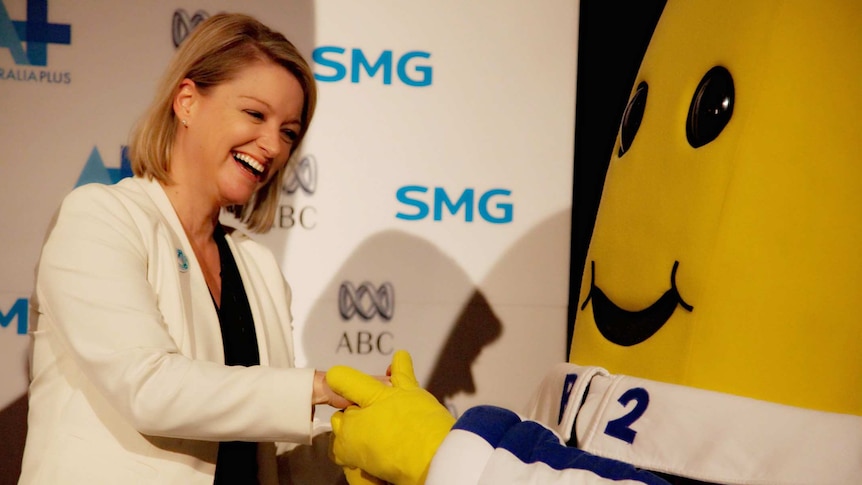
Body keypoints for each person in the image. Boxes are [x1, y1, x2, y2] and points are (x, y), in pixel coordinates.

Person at [19, 13, 350, 484]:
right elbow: (148, 388)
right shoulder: (101, 217)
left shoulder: (257, 268)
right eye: (255, 114)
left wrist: (365, 431)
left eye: (289, 132)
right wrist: (317, 386)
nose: (273, 144)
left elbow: (269, 452)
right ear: (188, 102)